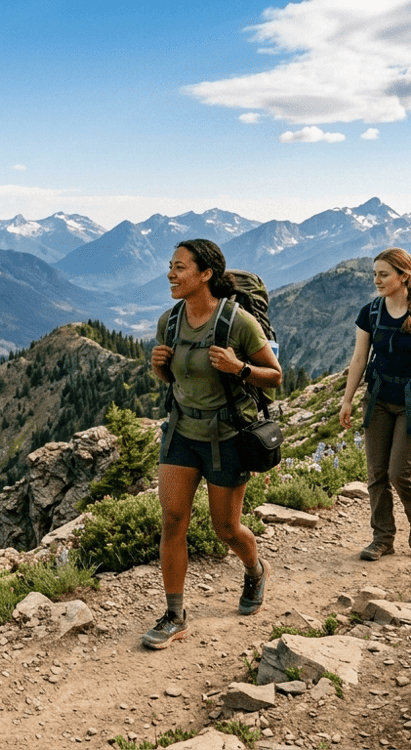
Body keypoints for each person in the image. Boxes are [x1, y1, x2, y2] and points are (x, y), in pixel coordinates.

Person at [142, 239, 282, 649]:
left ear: (205, 274)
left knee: (226, 529)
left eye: (180, 267)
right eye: (171, 265)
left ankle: (255, 569)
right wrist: (160, 369)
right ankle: (174, 615)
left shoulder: (238, 323)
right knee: (173, 520)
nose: (171, 274)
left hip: (226, 437)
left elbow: (275, 376)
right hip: (181, 433)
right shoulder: (170, 321)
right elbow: (176, 380)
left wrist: (240, 368)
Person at [339, 247, 411, 561]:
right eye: (375, 274)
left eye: (384, 274)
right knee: (376, 474)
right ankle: (383, 538)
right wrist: (347, 400)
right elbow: (359, 359)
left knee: (400, 471)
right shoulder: (371, 312)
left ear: (404, 276)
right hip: (377, 400)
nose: (377, 280)